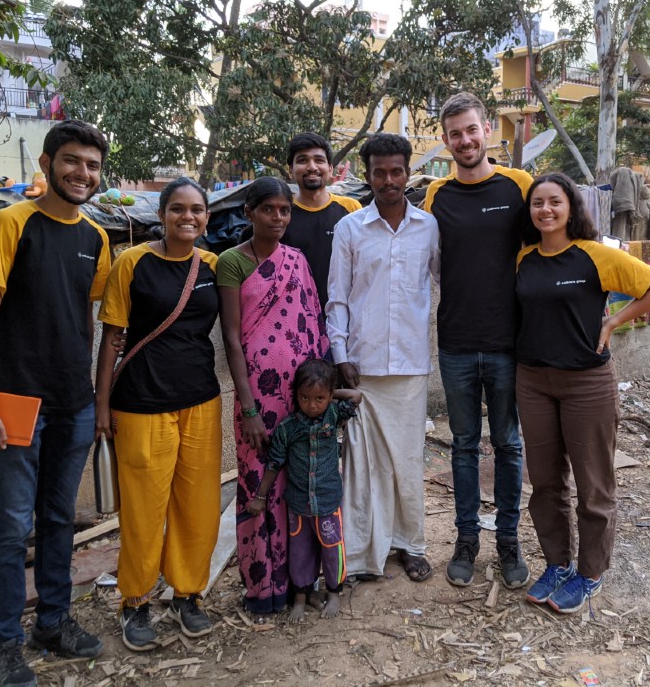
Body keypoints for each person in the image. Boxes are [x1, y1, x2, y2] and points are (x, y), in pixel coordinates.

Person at [0, 120, 109, 687]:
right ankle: (1, 643)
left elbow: (86, 319)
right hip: (14, 401)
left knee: (58, 520)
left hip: (72, 404)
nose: (83, 173)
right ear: (47, 164)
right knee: (9, 528)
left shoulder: (95, 239)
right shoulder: (10, 223)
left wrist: (96, 401)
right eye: (72, 161)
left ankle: (53, 620)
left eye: (93, 165)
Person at [515, 173, 650, 614]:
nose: (545, 210)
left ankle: (590, 573)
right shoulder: (524, 259)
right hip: (533, 381)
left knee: (593, 485)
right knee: (545, 483)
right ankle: (558, 563)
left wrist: (613, 321)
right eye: (537, 203)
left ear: (571, 208)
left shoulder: (595, 255)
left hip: (586, 382)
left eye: (554, 202)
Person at [94, 177, 221, 651]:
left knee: (198, 506)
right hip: (142, 404)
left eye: (197, 210)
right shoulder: (132, 263)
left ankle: (188, 594)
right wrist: (101, 404)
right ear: (162, 215)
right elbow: (111, 336)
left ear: (207, 217)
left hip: (201, 402)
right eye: (178, 210)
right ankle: (135, 602)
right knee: (144, 511)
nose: (188, 217)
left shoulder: (212, 265)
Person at [423, 92, 532, 589]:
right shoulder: (436, 196)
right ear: (445, 142)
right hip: (457, 343)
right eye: (454, 134)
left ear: (487, 130)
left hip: (510, 343)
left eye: (471, 130)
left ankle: (508, 542)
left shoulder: (520, 186)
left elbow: (549, 251)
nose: (464, 140)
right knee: (464, 446)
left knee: (508, 444)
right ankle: (467, 540)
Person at [326, 133, 440, 582]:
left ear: (407, 173)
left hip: (410, 366)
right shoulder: (351, 229)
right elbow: (337, 297)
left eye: (396, 171)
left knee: (407, 462)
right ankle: (360, 554)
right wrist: (340, 354)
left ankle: (409, 544)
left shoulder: (428, 227)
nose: (388, 180)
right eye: (379, 172)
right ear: (367, 175)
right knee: (361, 466)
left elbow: (443, 282)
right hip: (362, 366)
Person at [218, 176, 329, 620]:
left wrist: (325, 395)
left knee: (301, 484)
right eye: (269, 210)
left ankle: (303, 579)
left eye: (285, 210)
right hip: (258, 399)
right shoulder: (231, 262)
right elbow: (230, 338)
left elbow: (314, 325)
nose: (279, 218)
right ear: (249, 212)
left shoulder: (297, 261)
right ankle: (264, 584)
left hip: (302, 396)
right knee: (259, 483)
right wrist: (247, 407)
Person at [246, 358, 362, 623]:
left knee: (332, 549)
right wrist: (261, 497)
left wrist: (332, 397)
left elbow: (356, 395)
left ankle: (334, 592)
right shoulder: (288, 428)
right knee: (300, 552)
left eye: (319, 398)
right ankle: (301, 595)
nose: (312, 405)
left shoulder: (333, 415)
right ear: (295, 395)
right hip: (298, 504)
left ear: (329, 397)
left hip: (328, 501)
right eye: (305, 397)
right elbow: (275, 463)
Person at [280, 132, 362, 313]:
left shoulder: (351, 209)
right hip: (293, 320)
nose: (311, 167)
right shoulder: (282, 213)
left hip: (341, 319)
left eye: (319, 160)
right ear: (290, 170)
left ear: (330, 169)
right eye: (302, 160)